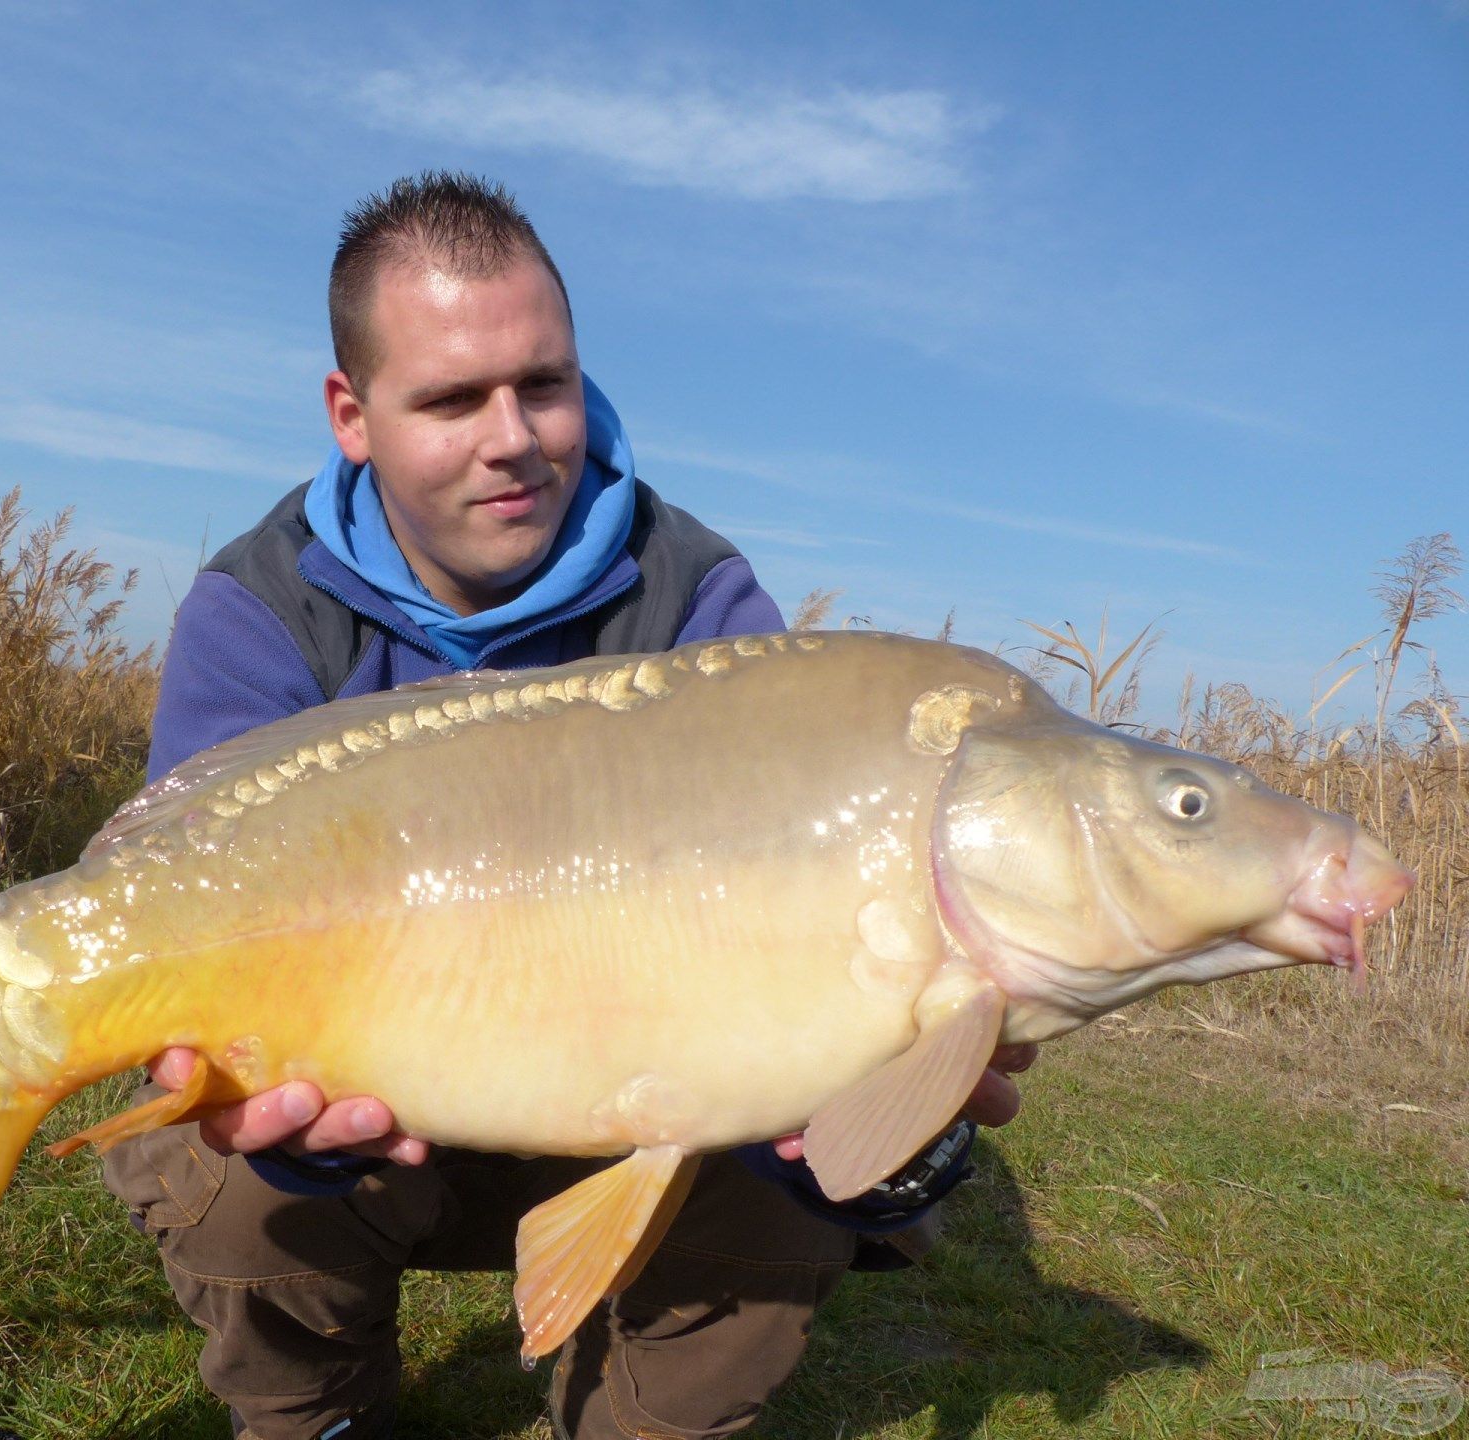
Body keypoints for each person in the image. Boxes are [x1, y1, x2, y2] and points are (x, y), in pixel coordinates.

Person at [102, 171, 1036, 1440]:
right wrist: (287, 1133)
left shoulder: (697, 602)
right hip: (379, 1117)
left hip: (632, 1099)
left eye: (543, 384)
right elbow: (180, 924)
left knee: (778, 1184)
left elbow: (803, 979)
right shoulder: (260, 610)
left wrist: (890, 1119)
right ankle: (319, 1421)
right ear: (352, 413)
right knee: (214, 1168)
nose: (515, 436)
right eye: (449, 399)